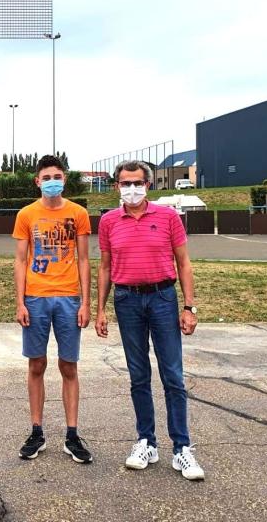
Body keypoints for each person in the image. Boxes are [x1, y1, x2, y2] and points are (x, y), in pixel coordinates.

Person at [95, 159, 205, 481]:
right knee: (138, 374)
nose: (132, 189)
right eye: (125, 183)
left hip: (162, 298)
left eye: (137, 183)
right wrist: (100, 309)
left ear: (148, 185)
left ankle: (181, 447)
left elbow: (184, 263)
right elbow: (105, 267)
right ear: (116, 186)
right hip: (127, 300)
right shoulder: (109, 221)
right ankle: (146, 441)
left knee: (173, 375)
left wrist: (189, 307)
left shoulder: (168, 217)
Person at [12, 155, 93, 464]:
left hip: (69, 297)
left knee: (68, 366)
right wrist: (20, 302)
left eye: (56, 176)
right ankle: (36, 431)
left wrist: (86, 302)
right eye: (46, 177)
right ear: (37, 181)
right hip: (36, 297)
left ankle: (72, 435)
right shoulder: (26, 214)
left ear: (65, 179)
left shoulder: (78, 213)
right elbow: (20, 260)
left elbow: (84, 259)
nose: (51, 182)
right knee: (36, 365)